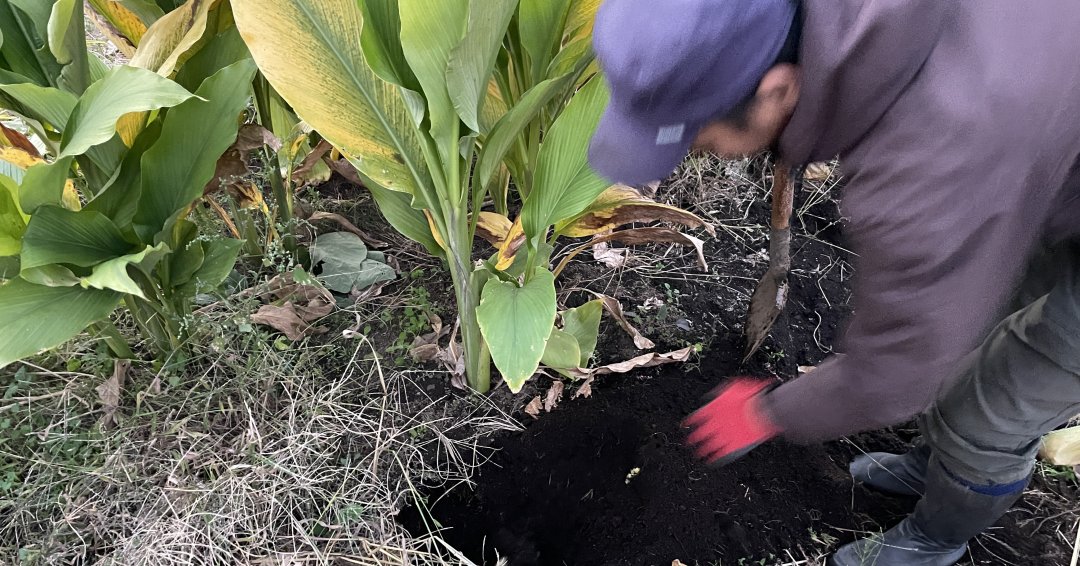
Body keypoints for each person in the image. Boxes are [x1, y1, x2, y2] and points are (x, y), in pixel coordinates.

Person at [586, 0, 1080, 564]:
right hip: (1044, 145)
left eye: (697, 137)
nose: (687, 157)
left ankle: (937, 538)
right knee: (980, 310)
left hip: (1007, 140)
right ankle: (937, 462)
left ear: (776, 90)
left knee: (988, 410)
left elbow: (897, 370)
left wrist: (766, 413)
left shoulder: (928, 157)